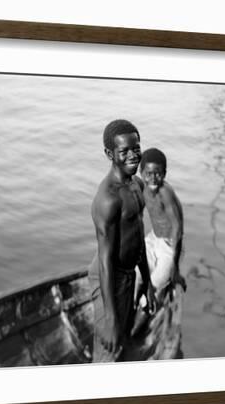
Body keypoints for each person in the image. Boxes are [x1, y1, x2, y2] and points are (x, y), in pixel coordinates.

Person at [88, 119, 156, 359]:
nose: (133, 156)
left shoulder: (136, 185)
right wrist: (110, 319)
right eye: (123, 151)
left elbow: (137, 240)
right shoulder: (108, 199)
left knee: (124, 337)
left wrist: (147, 283)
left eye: (136, 148)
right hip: (109, 275)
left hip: (128, 273)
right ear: (109, 154)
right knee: (109, 346)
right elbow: (106, 261)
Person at [137, 147, 186, 306]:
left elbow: (178, 230)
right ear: (141, 172)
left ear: (164, 174)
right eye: (148, 174)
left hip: (170, 245)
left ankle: (146, 308)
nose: (152, 179)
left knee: (152, 287)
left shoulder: (165, 193)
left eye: (157, 174)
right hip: (153, 239)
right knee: (134, 276)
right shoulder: (141, 188)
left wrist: (175, 270)